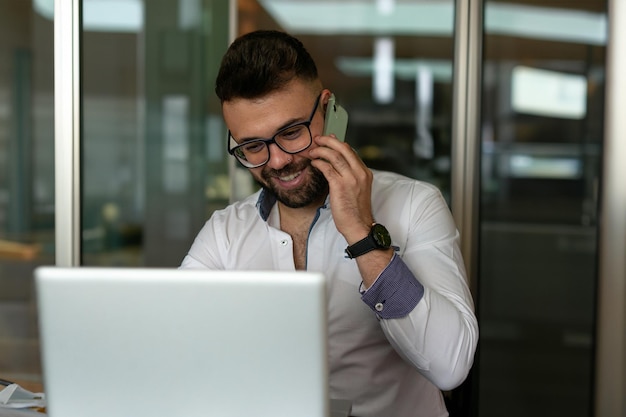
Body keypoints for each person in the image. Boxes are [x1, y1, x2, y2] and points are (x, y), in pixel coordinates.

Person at [181, 29, 478, 417]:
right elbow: (182, 354)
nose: (277, 161)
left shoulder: (414, 205)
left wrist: (362, 232)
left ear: (330, 109)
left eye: (290, 133)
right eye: (253, 146)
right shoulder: (224, 233)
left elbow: (449, 366)